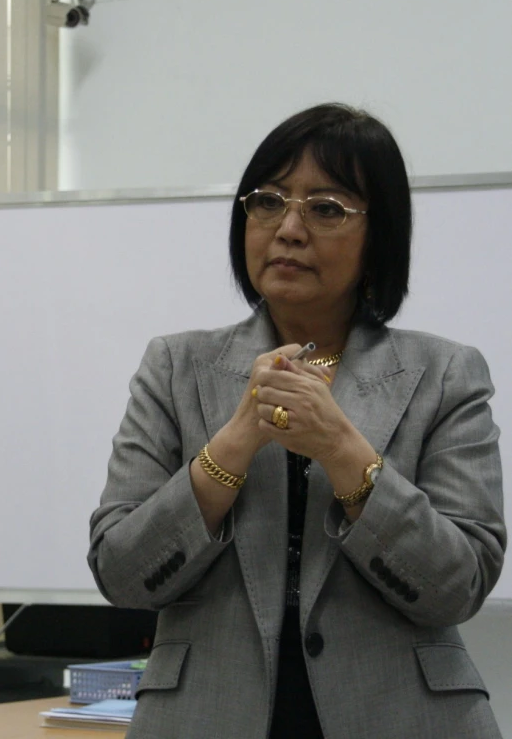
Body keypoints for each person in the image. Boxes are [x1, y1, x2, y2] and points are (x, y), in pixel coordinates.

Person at [88, 103, 506, 739]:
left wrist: (342, 449)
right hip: (206, 715)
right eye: (267, 202)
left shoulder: (444, 373)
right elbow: (121, 574)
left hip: (403, 718)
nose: (288, 228)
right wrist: (232, 443)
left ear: (378, 239)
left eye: (326, 208)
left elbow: (459, 584)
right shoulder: (175, 366)